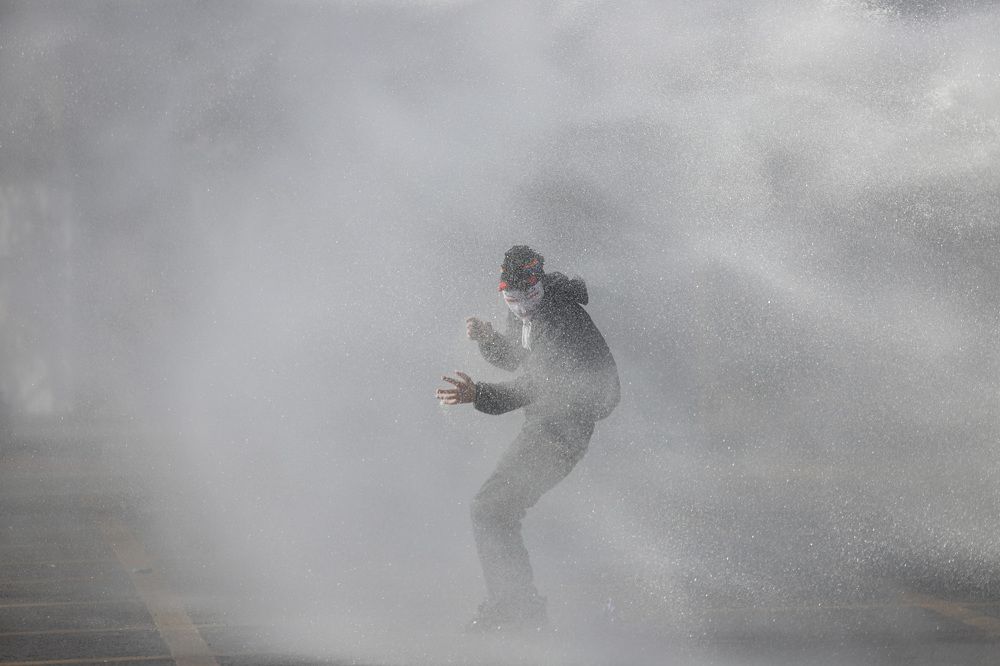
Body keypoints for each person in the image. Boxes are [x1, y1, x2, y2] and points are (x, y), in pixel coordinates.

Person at [436, 245, 620, 632]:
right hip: (545, 424)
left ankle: (518, 608)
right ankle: (519, 607)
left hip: (562, 431)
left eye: (528, 297)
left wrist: (478, 395)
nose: (520, 307)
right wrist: (488, 339)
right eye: (511, 299)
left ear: (541, 286)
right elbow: (520, 357)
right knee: (493, 510)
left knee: (490, 510)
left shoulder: (561, 320)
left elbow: (532, 385)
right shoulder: (527, 311)